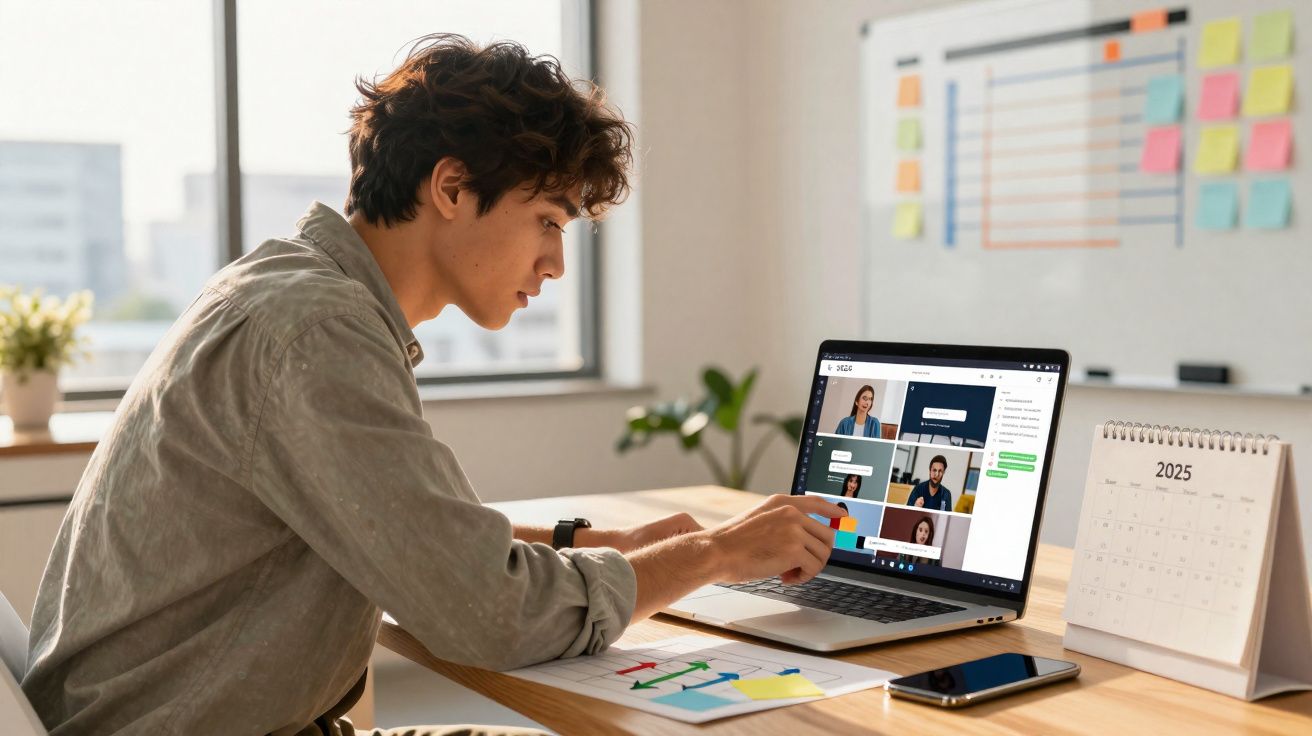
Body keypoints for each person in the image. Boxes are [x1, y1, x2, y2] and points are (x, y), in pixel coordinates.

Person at [21, 35, 846, 736]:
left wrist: (606, 545)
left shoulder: (285, 289)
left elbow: (419, 541)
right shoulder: (315, 333)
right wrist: (717, 553)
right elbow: (490, 613)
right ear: (451, 188)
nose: (556, 264)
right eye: (550, 221)